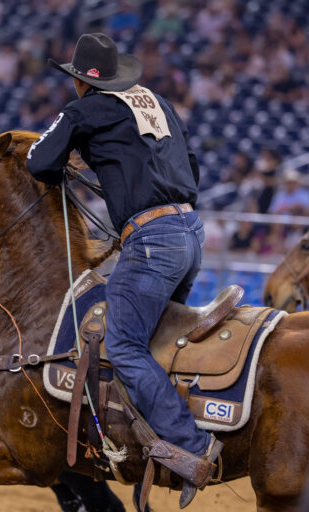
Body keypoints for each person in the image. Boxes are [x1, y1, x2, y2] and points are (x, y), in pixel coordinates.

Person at [26, 33, 221, 507]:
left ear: (79, 81)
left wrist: (75, 156)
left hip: (152, 240)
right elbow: (191, 170)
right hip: (190, 232)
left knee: (124, 344)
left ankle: (192, 448)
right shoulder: (161, 104)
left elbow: (39, 161)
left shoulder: (84, 110)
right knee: (158, 341)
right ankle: (146, 448)